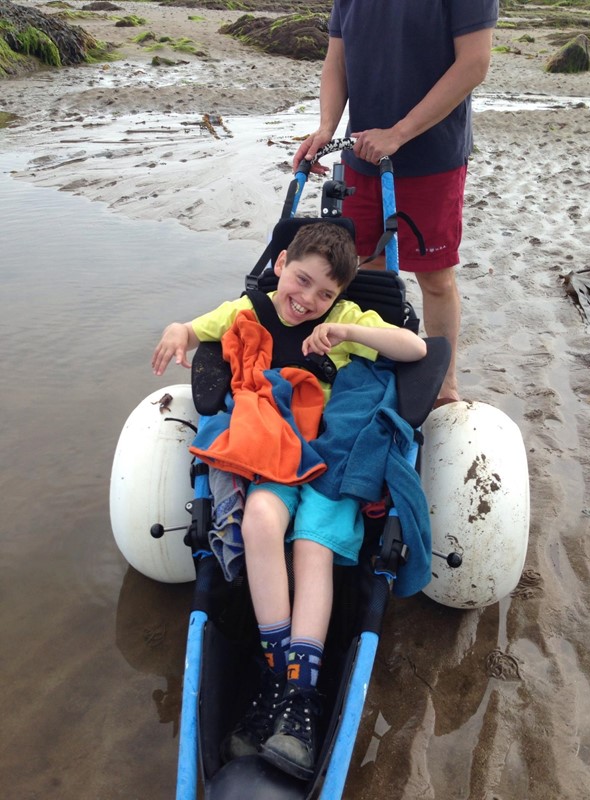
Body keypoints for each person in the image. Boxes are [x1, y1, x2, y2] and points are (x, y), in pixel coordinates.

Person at [152, 222, 426, 780]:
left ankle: (296, 698)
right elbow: (196, 326)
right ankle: (284, 675)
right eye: (302, 281)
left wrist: (354, 332)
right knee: (258, 521)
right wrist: (177, 331)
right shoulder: (247, 310)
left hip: (335, 456)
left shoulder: (345, 322)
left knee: (311, 546)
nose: (308, 301)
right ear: (280, 265)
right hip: (278, 449)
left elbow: (415, 347)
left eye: (326, 294)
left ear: (339, 298)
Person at [292, 1, 499, 405]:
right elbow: (338, 59)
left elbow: (474, 63)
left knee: (435, 278)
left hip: (431, 159)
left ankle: (443, 387)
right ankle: (370, 375)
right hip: (361, 155)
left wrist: (399, 133)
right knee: (364, 270)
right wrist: (326, 128)